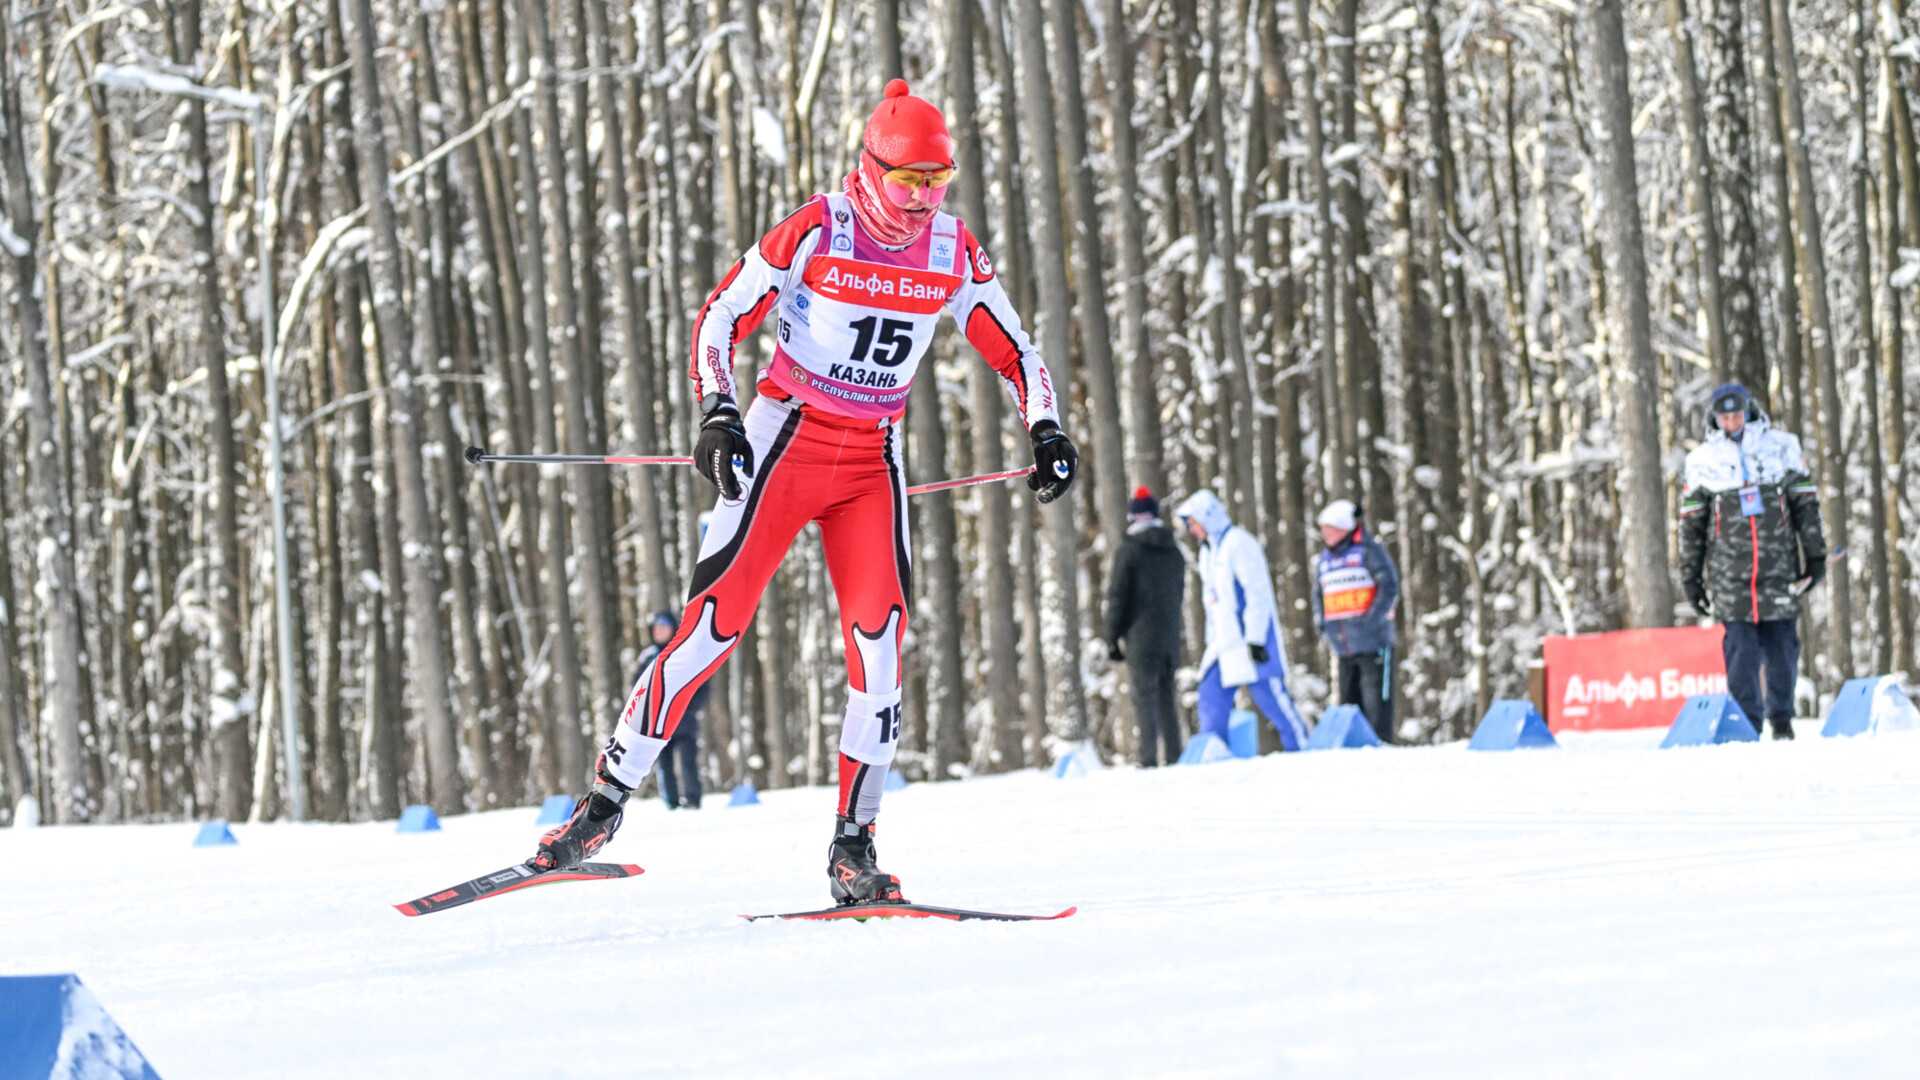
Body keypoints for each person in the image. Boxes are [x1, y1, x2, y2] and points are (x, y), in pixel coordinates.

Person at [532, 80, 1078, 905]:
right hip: (781, 442)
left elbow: (1016, 350)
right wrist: (717, 411)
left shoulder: (952, 251)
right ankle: (602, 804)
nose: (923, 201)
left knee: (882, 647)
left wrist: (1046, 428)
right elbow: (720, 314)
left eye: (938, 182)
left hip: (870, 463)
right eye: (908, 183)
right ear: (871, 170)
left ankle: (853, 846)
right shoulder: (821, 227)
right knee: (709, 631)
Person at [1678, 383, 1826, 740]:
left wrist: (1815, 554)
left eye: (1737, 414)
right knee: (1741, 650)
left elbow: (1805, 506)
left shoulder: (1781, 448)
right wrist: (1691, 577)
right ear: (1715, 418)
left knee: (1782, 646)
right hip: (1730, 574)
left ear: (1749, 411)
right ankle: (1747, 722)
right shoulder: (1701, 461)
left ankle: (1782, 719)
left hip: (1778, 569)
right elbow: (1691, 525)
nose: (1732, 422)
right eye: (1724, 417)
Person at [1171, 490, 1309, 751]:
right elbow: (1212, 601)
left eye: (1193, 523)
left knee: (1271, 700)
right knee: (1211, 697)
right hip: (1223, 642)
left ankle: (1301, 748)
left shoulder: (1239, 543)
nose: (1192, 530)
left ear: (1207, 518)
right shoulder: (1207, 553)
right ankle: (1215, 756)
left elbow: (1257, 594)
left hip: (1251, 638)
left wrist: (1256, 639)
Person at [1103, 486, 1186, 767]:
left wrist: (1112, 637)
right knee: (1167, 700)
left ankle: (1148, 760)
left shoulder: (1129, 551)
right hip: (1170, 637)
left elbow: (1118, 596)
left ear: (1133, 516)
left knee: (1144, 699)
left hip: (1140, 638)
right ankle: (1175, 757)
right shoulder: (1174, 550)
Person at [1311, 499, 1399, 744]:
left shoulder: (1369, 551)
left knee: (1376, 706)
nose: (1324, 535)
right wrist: (1323, 625)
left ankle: (1382, 747)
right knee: (1349, 706)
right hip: (1343, 644)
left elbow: (1389, 586)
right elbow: (1319, 594)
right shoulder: (1325, 559)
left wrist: (1371, 620)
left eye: (1329, 529)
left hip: (1373, 641)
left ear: (1343, 527)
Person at [635, 611, 704, 809]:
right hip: (658, 724)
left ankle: (693, 800)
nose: (659, 631)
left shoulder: (683, 652)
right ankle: (671, 802)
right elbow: (637, 688)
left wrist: (689, 708)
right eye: (656, 628)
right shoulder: (647, 657)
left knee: (687, 762)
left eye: (664, 627)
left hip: (684, 722)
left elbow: (701, 685)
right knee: (664, 765)